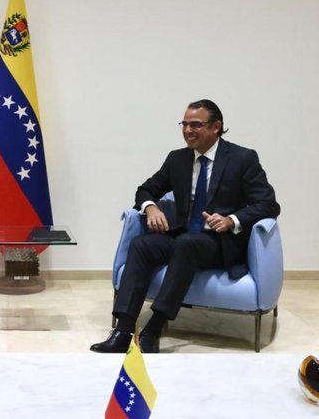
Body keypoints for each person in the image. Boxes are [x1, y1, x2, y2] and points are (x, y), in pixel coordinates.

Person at [90, 99, 280, 354]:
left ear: (216, 127)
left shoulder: (242, 158)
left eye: (195, 124)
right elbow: (146, 189)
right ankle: (123, 330)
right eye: (184, 124)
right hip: (181, 236)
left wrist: (231, 220)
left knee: (187, 244)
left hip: (217, 243)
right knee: (142, 245)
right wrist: (151, 207)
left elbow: (268, 204)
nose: (187, 130)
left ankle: (154, 328)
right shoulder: (177, 159)